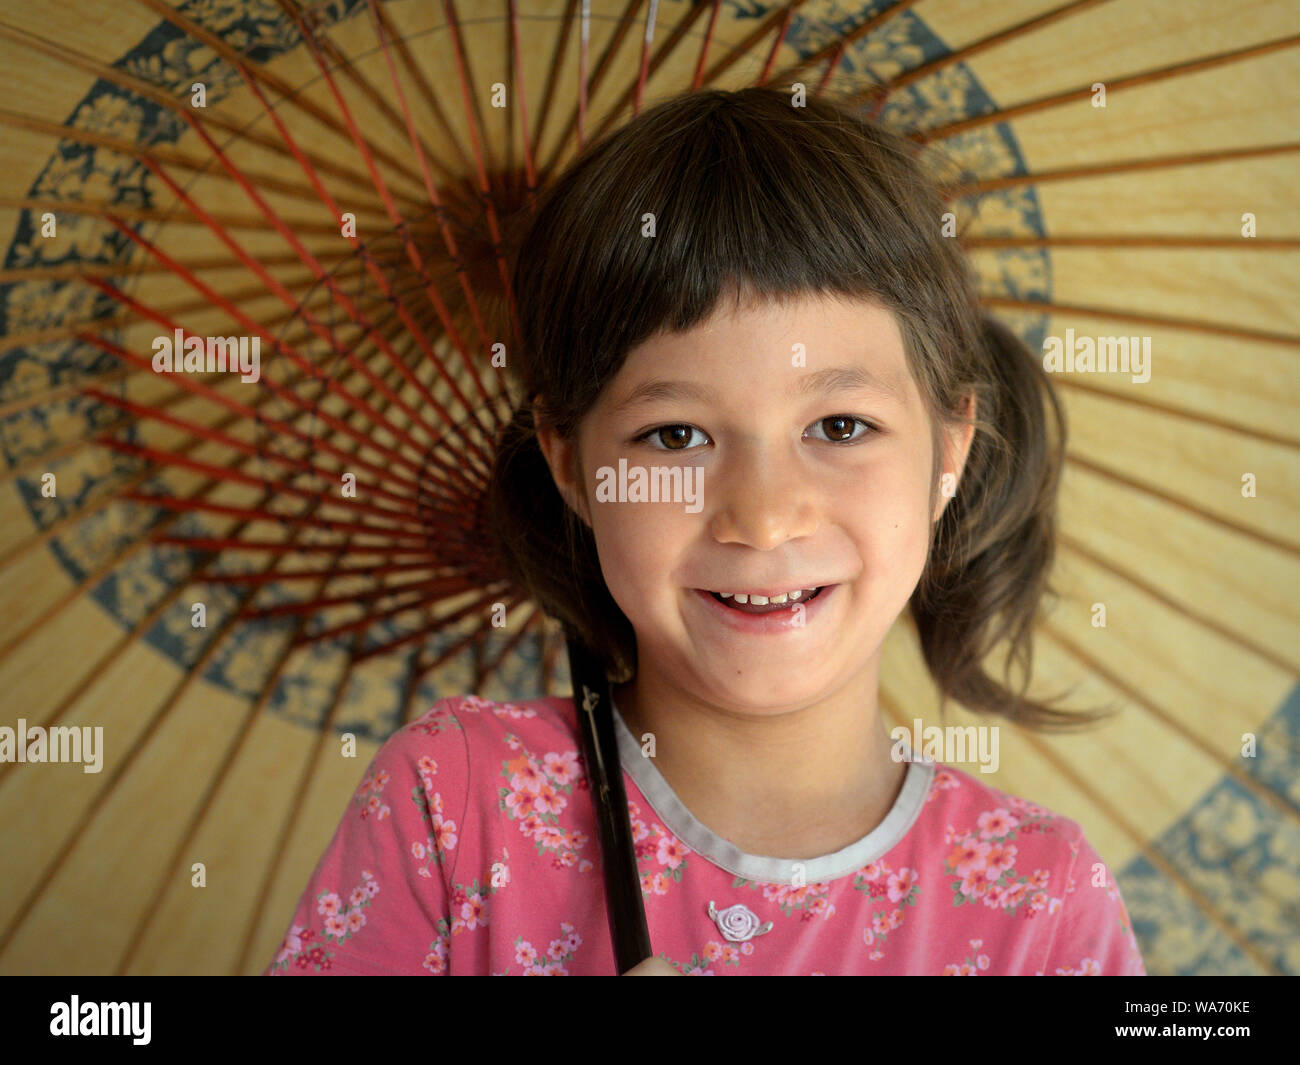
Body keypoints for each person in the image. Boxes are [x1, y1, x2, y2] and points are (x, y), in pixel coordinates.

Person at [263, 87, 1145, 976]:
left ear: (948, 449)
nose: (761, 517)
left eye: (839, 426)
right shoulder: (452, 804)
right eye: (676, 435)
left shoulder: (1039, 903)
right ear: (569, 461)